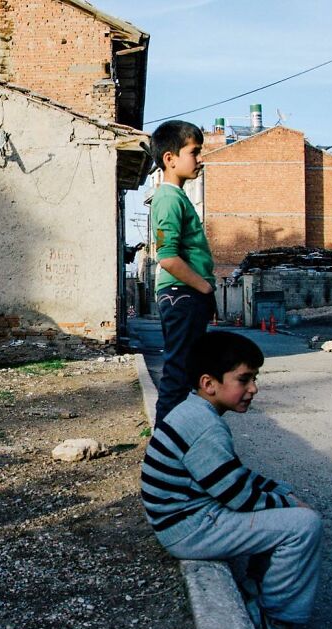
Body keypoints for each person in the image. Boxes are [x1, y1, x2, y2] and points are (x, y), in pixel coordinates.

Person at [141, 331, 322, 629]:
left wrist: (282, 492)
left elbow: (232, 476)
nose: (253, 388)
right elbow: (240, 498)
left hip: (186, 518)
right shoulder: (206, 428)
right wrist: (293, 507)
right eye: (244, 379)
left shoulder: (195, 412)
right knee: (304, 526)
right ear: (209, 383)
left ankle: (259, 584)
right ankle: (274, 619)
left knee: (281, 500)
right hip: (189, 529)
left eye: (255, 378)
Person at [150, 120, 217, 426]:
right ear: (170, 158)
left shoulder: (176, 197)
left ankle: (177, 439)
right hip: (182, 294)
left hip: (184, 294)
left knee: (187, 370)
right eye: (195, 151)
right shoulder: (167, 199)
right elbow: (167, 258)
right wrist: (204, 288)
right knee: (178, 372)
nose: (199, 158)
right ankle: (164, 446)